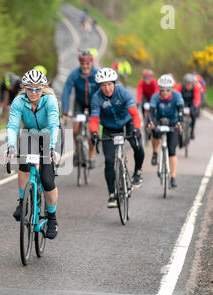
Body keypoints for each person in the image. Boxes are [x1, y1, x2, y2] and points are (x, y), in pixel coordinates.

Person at [6, 69, 60, 239]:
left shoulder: (50, 100)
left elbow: (53, 123)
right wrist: (11, 146)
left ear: (43, 88)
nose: (34, 92)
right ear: (24, 87)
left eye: (38, 89)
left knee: (47, 179)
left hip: (50, 136)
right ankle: (23, 203)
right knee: (24, 166)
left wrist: (51, 148)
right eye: (30, 88)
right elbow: (13, 126)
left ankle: (52, 219)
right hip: (30, 134)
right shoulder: (19, 101)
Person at [89, 68, 144, 208]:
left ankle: (137, 172)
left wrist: (137, 129)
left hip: (127, 123)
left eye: (109, 84)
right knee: (108, 161)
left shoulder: (123, 93)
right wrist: (94, 132)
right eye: (103, 85)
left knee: (137, 146)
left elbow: (135, 114)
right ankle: (112, 194)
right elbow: (94, 120)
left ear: (114, 83)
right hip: (109, 128)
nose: (107, 88)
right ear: (100, 86)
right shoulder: (96, 98)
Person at [62, 50, 100, 169]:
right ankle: (77, 151)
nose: (85, 66)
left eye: (87, 64)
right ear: (80, 64)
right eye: (83, 64)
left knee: (92, 131)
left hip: (93, 103)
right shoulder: (74, 74)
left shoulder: (96, 74)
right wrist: (65, 110)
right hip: (79, 103)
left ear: (91, 63)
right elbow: (66, 92)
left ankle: (92, 155)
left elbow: (103, 92)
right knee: (75, 129)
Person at [148, 74, 184, 188]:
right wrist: (151, 122)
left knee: (172, 149)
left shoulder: (177, 96)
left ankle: (173, 177)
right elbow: (151, 112)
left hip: (173, 122)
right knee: (155, 133)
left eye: (167, 90)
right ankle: (154, 152)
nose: (164, 92)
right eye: (162, 89)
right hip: (158, 121)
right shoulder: (155, 97)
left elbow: (181, 111)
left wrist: (180, 122)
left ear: (171, 89)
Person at [174, 73, 201, 139]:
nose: (188, 86)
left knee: (193, 114)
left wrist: (196, 106)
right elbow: (175, 95)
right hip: (182, 102)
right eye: (187, 84)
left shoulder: (196, 88)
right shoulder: (179, 86)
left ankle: (192, 130)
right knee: (177, 114)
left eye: (190, 84)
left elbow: (197, 99)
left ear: (192, 83)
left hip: (191, 103)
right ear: (184, 83)